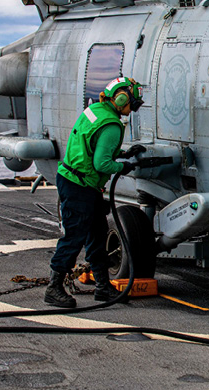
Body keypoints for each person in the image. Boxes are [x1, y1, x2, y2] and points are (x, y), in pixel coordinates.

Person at [44, 77, 146, 308]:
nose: (133, 108)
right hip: (80, 187)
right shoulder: (112, 124)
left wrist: (122, 153)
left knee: (97, 234)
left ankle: (102, 287)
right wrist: (123, 166)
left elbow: (92, 145)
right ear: (121, 98)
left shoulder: (95, 110)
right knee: (74, 238)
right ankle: (54, 287)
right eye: (132, 103)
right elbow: (102, 165)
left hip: (76, 181)